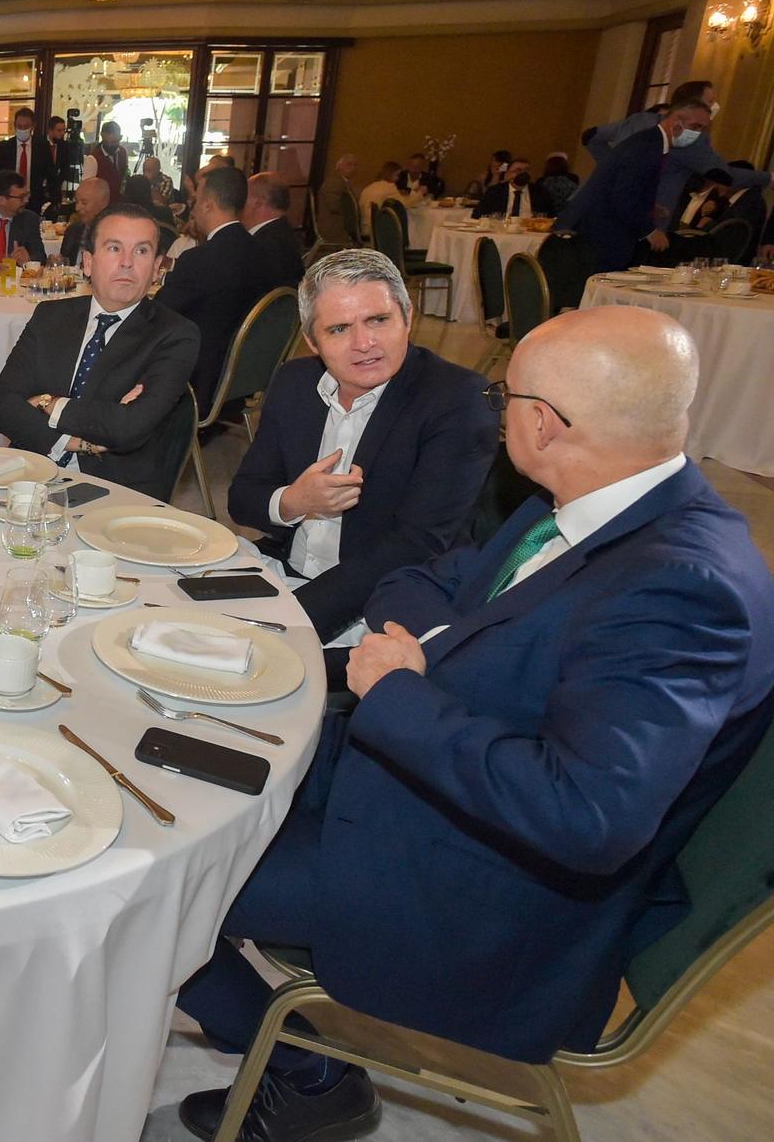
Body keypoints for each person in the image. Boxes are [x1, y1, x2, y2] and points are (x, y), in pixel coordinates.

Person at [174, 306, 774, 1142]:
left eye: (506, 398)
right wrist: (410, 661)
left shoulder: (682, 589)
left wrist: (399, 693)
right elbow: (431, 575)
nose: (497, 414)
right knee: (176, 765)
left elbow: (586, 815)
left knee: (157, 881)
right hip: (428, 791)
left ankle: (307, 1073)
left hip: (477, 887)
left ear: (544, 422)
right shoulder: (590, 500)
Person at [228, 249, 498, 641]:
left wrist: (288, 625)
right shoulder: (295, 382)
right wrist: (295, 502)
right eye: (338, 329)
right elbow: (242, 498)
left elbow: (415, 546)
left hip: (382, 606)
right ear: (312, 341)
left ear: (408, 318)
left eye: (378, 320)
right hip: (286, 571)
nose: (364, 343)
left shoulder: (457, 400)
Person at [0, 203, 200, 500]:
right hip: (28, 473)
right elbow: (2, 408)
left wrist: (48, 403)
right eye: (114, 248)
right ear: (88, 263)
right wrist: (75, 441)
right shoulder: (50, 315)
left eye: (141, 251)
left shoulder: (175, 334)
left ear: (156, 268)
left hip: (114, 489)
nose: (127, 262)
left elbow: (128, 428)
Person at [578, 80, 771, 255]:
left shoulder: (640, 119)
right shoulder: (687, 140)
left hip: (594, 213)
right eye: (711, 101)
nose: (715, 106)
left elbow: (591, 136)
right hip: (639, 230)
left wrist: (609, 168)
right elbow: (725, 175)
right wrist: (769, 178)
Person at [158, 166, 284, 413]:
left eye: (195, 201)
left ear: (208, 204)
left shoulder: (200, 260)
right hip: (243, 378)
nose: (192, 208)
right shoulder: (263, 253)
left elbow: (157, 315)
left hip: (200, 383)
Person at [558, 89, 714, 273]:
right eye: (695, 126)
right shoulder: (648, 146)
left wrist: (649, 207)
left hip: (600, 230)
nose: (698, 133)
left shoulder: (651, 141)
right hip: (600, 234)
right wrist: (650, 231)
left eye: (702, 128)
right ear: (676, 120)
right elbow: (623, 196)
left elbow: (629, 185)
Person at [0, 105, 55, 214]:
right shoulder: (4, 148)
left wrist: (53, 201)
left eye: (26, 126)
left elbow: (51, 174)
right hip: (10, 201)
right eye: (19, 126)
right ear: (14, 126)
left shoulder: (42, 147)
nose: (22, 129)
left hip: (35, 201)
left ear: (33, 126)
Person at [243, 172, 306, 285]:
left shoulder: (262, 245)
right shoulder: (282, 233)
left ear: (257, 202)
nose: (239, 202)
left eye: (244, 196)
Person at [472, 158, 548, 219]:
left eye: (527, 170)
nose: (523, 173)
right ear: (508, 174)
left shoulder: (540, 192)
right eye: (518, 170)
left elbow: (549, 217)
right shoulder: (495, 191)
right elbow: (477, 215)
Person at [59, 177, 112, 264]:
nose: (77, 208)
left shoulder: (114, 236)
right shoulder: (73, 231)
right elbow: (64, 264)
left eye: (84, 203)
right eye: (76, 202)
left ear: (103, 203)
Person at [315, 154, 362, 247]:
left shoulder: (341, 182)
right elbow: (333, 206)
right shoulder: (334, 182)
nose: (353, 168)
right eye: (349, 164)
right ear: (339, 166)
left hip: (339, 226)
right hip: (334, 227)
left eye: (355, 165)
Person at [86, 120, 130, 207]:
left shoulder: (123, 152)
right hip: (101, 205)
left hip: (119, 203)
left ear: (120, 138)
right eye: (106, 142)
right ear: (102, 136)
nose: (110, 145)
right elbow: (88, 187)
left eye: (114, 142)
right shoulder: (93, 158)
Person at [357, 160, 403, 239]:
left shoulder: (370, 186)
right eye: (397, 175)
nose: (398, 178)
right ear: (390, 174)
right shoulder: (390, 187)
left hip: (363, 226)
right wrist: (419, 194)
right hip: (375, 229)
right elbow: (403, 204)